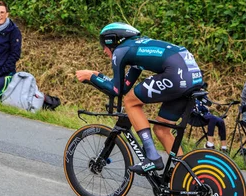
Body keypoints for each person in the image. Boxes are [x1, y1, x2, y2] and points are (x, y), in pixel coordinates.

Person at [76, 23, 204, 174]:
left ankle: (152, 156)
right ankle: (185, 175)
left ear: (112, 41)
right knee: (162, 129)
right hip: (192, 77)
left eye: (103, 45)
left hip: (177, 75)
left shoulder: (120, 51)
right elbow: (123, 87)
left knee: (130, 102)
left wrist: (90, 77)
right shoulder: (137, 47)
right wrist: (99, 76)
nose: (104, 50)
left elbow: (116, 91)